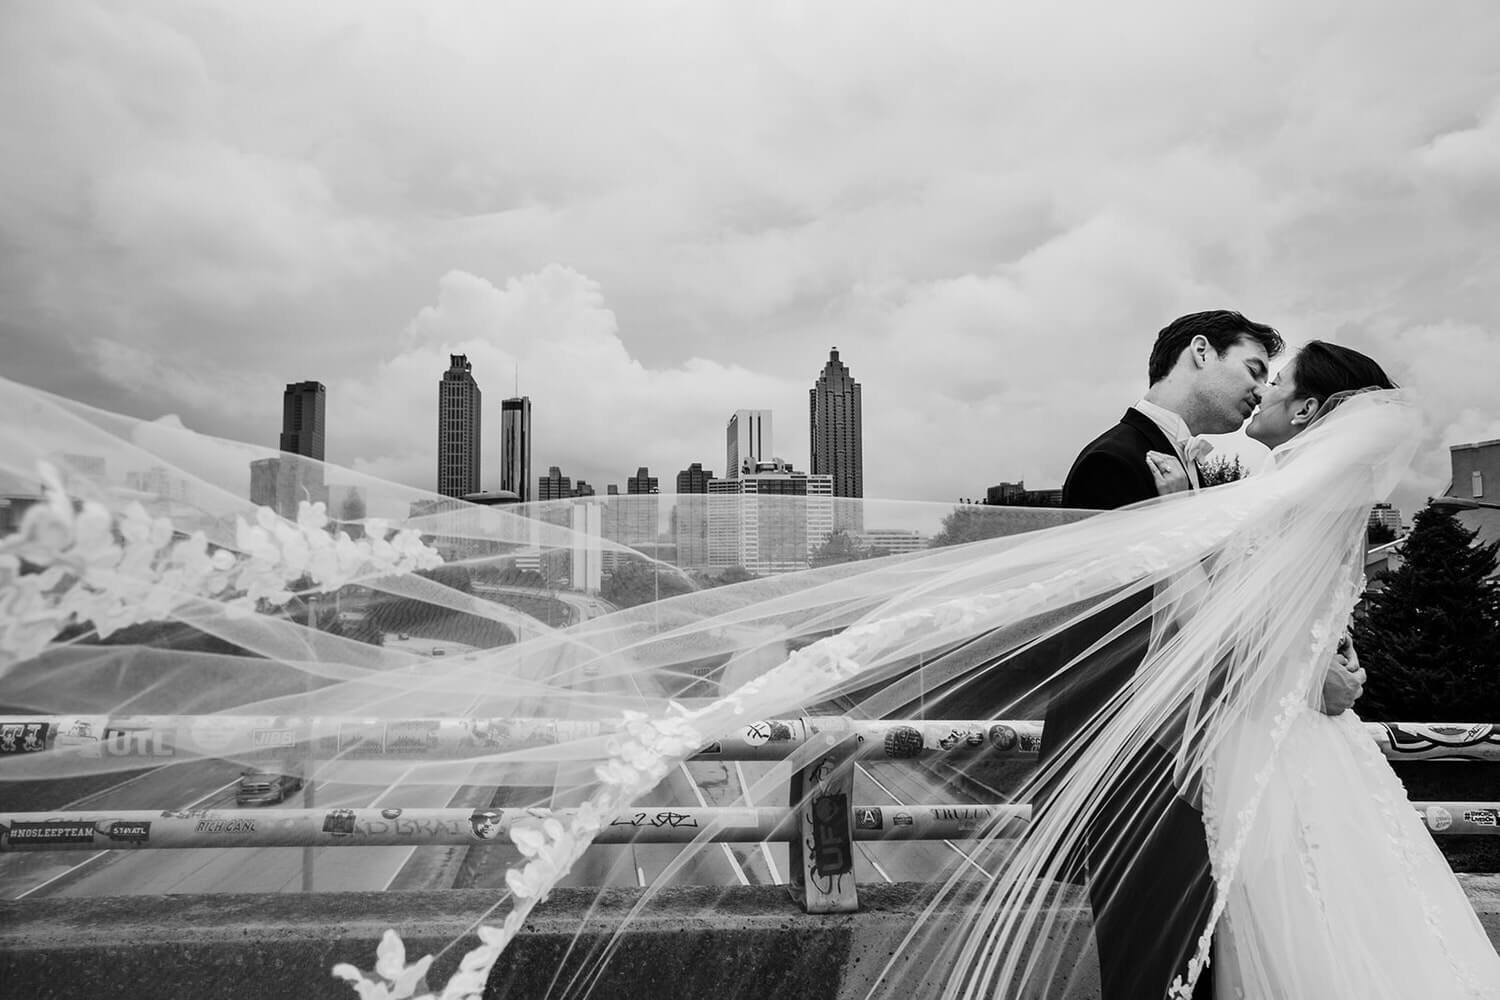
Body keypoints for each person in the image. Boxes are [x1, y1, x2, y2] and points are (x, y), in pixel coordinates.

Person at [1046, 311, 1358, 1000]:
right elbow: (1127, 637)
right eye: (1253, 369)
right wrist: (1307, 671)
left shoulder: (1183, 469)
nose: (1261, 389)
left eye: (1272, 380)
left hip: (1200, 752)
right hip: (1144, 757)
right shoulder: (1114, 462)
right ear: (1197, 352)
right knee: (1158, 963)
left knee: (1203, 961)